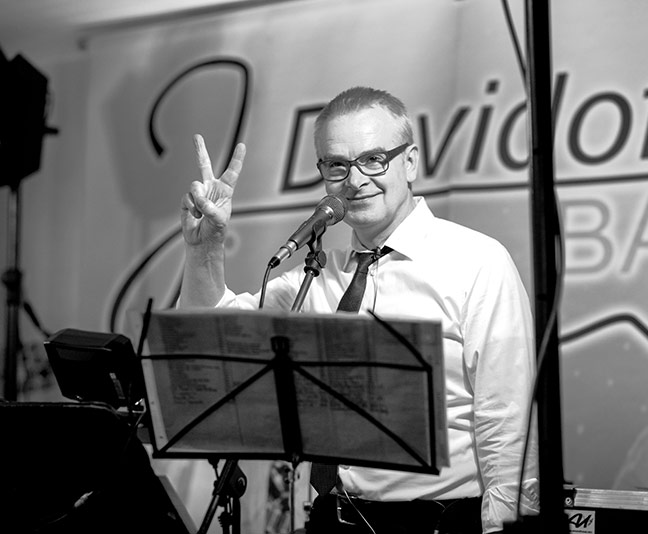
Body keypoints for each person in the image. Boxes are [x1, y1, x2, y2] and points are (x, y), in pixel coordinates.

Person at [179, 86, 539, 534]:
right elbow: (210, 337)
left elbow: (508, 421)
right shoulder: (315, 276)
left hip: (437, 523)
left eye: (374, 159)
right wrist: (205, 247)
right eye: (337, 165)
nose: (354, 180)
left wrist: (506, 530)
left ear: (410, 162)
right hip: (331, 519)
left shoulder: (476, 261)